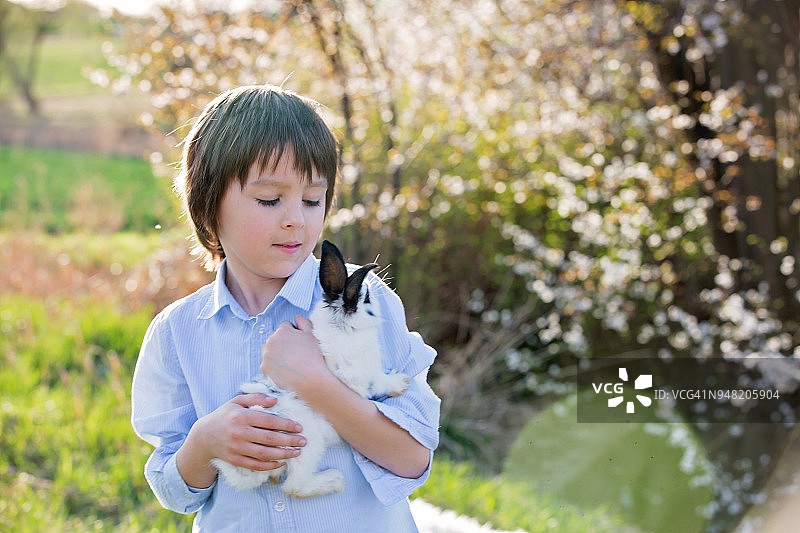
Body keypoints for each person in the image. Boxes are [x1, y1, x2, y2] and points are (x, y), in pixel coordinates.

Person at [131, 84, 440, 532]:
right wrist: (205, 443)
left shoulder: (361, 303)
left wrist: (317, 385)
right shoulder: (178, 332)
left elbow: (413, 458)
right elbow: (174, 492)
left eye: (313, 200)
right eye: (270, 200)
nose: (296, 218)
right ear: (209, 204)